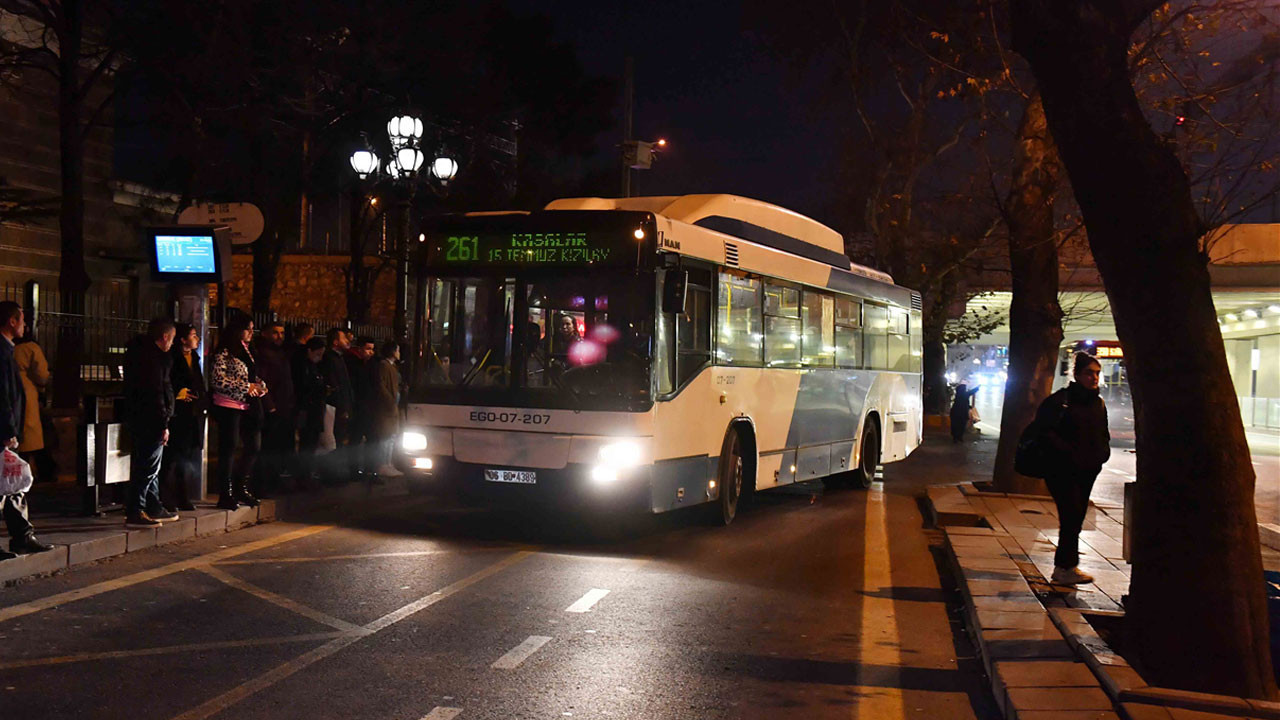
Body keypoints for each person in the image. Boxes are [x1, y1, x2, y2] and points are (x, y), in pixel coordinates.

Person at [1035, 352, 1111, 586]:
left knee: (1076, 517)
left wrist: (1102, 455)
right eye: (1089, 373)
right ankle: (1065, 567)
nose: (1094, 377)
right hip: (1062, 470)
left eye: (1097, 373)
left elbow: (1102, 433)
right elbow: (1044, 432)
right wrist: (1068, 453)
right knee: (1070, 516)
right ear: (1077, 374)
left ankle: (1066, 566)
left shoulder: (1098, 403)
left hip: (1088, 469)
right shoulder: (1060, 401)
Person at [0, 301, 52, 557]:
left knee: (14, 483)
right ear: (12, 321)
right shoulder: (2, 351)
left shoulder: (9, 349)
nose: (25, 325)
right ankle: (22, 536)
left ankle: (22, 535)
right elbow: (3, 395)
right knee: (6, 484)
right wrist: (8, 430)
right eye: (21, 319)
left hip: (9, 429)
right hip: (4, 431)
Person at [122, 318, 179, 526]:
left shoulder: (140, 355)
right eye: (172, 338)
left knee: (150, 466)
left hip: (139, 417)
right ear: (164, 337)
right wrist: (163, 424)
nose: (172, 343)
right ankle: (135, 510)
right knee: (147, 467)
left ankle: (153, 506)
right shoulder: (154, 361)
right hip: (151, 419)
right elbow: (156, 393)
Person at [210, 315, 266, 509]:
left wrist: (259, 385)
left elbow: (251, 374)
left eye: (252, 328)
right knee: (228, 448)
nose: (251, 332)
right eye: (247, 328)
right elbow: (218, 380)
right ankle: (226, 493)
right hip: (229, 405)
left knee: (253, 446)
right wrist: (246, 387)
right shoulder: (224, 352)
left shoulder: (248, 350)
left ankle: (241, 487)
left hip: (249, 405)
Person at [160, 323, 204, 512]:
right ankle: (164, 497)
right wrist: (179, 393)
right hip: (178, 413)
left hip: (192, 412)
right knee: (171, 457)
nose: (197, 339)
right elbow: (168, 381)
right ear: (183, 339)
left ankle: (182, 496)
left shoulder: (194, 357)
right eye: (193, 335)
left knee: (186, 457)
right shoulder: (172, 357)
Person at [256, 321, 296, 495]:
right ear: (265, 334)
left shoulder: (280, 353)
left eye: (282, 333)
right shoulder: (263, 354)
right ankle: (263, 483)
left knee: (278, 447)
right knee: (268, 447)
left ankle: (274, 480)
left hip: (283, 406)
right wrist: (270, 406)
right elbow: (262, 380)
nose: (280, 336)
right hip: (272, 408)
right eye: (275, 333)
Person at [14, 334, 53, 481]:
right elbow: (42, 374)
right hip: (26, 391)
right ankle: (41, 472)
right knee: (32, 437)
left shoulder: (7, 345)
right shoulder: (30, 347)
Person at [318, 328, 353, 482]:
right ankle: (331, 474)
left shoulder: (339, 358)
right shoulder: (330, 359)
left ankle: (337, 473)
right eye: (344, 338)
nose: (348, 341)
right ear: (335, 342)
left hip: (340, 406)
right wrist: (342, 405)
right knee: (332, 442)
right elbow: (336, 385)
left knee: (339, 440)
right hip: (334, 407)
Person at [293, 337, 328, 487]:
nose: (320, 358)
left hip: (314, 410)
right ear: (309, 351)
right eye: (318, 354)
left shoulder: (314, 366)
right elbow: (304, 388)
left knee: (311, 443)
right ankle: (303, 475)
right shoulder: (302, 366)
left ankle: (306, 474)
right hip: (308, 410)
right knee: (307, 444)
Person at [370, 341, 403, 478]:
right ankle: (383, 464)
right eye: (398, 350)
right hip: (387, 409)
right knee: (386, 437)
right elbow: (381, 386)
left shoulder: (391, 366)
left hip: (391, 408)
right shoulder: (384, 366)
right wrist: (390, 401)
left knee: (391, 437)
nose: (399, 353)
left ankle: (388, 463)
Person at [345, 336, 376, 481]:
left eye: (372, 349)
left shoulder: (370, 364)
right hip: (359, 407)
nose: (371, 352)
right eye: (368, 349)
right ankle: (354, 470)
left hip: (368, 407)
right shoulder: (354, 364)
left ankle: (369, 469)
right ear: (360, 349)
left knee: (371, 439)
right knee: (355, 439)